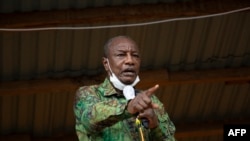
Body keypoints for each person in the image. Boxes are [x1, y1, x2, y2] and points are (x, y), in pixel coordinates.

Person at [74, 35, 176, 141]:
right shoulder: (88, 93)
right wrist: (128, 107)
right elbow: (89, 119)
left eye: (135, 55)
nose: (130, 61)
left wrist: (155, 126)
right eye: (121, 55)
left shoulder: (151, 101)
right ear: (106, 63)